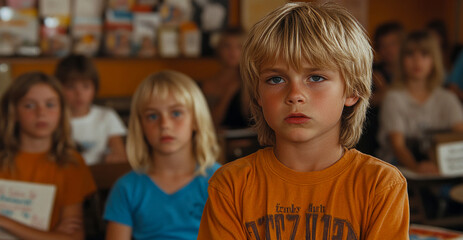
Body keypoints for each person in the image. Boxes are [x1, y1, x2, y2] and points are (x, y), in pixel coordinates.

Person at [198, 2, 409, 239]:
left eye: (316, 77)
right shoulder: (231, 186)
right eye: (276, 79)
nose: (295, 94)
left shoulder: (380, 185)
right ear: (257, 94)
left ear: (352, 91)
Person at [104, 70, 221, 240]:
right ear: (140, 126)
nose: (164, 124)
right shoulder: (126, 188)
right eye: (152, 116)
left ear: (196, 119)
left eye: (176, 113)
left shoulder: (220, 181)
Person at [0, 72, 96, 239]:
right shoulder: (3, 160)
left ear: (61, 111)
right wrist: (51, 235)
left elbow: (73, 238)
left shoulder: (70, 163)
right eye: (29, 105)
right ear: (13, 111)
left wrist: (4, 222)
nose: (41, 113)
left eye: (50, 105)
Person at [378, 31, 463, 174]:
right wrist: (417, 168)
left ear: (434, 60)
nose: (417, 61)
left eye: (424, 55)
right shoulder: (393, 98)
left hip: (441, 169)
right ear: (401, 60)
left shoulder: (447, 98)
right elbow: (398, 147)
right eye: (410, 54)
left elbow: (459, 138)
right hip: (400, 169)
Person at [55, 54, 127, 165]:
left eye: (86, 86)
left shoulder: (107, 116)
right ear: (58, 88)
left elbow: (119, 152)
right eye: (70, 86)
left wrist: (116, 156)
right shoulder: (53, 118)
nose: (79, 94)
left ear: (95, 87)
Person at [356, 21, 404, 156]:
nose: (388, 50)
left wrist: (385, 91)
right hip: (376, 134)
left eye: (393, 44)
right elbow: (362, 101)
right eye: (383, 46)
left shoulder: (412, 72)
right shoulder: (372, 72)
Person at [201, 27, 250, 129]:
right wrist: (228, 93)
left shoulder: (252, 82)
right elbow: (209, 123)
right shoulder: (209, 84)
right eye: (227, 46)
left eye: (239, 47)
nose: (232, 52)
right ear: (219, 49)